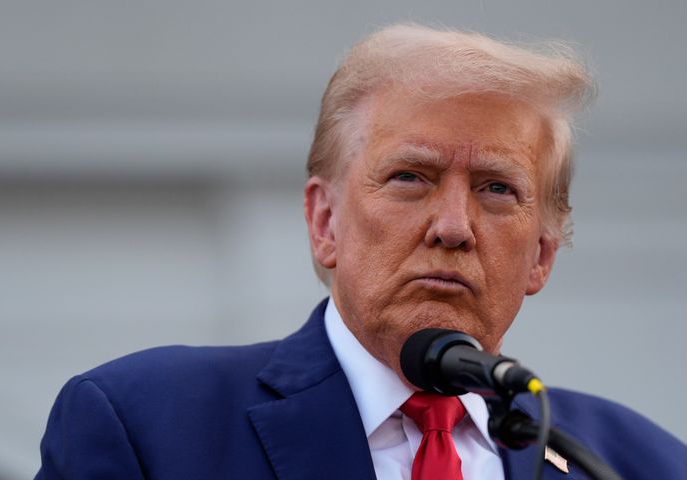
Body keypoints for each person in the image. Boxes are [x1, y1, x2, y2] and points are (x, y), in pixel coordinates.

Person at [35, 24, 687, 479]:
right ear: (325, 221)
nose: (453, 226)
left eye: (496, 189)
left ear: (541, 253)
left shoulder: (638, 465)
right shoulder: (146, 425)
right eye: (411, 178)